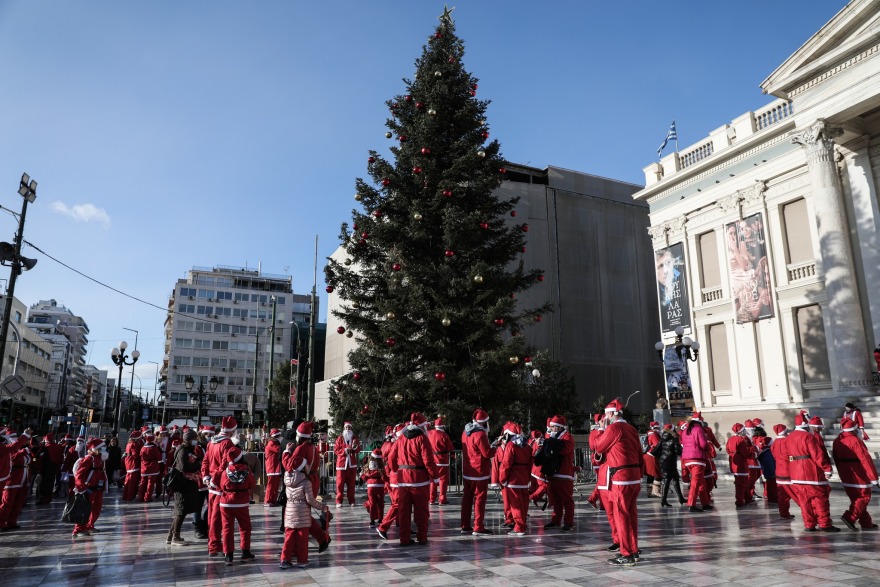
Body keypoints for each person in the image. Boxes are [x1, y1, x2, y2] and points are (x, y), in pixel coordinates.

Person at [591, 400, 643, 567]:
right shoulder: (631, 428)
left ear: (612, 414)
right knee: (631, 515)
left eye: (606, 414)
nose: (605, 418)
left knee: (621, 515)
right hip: (634, 476)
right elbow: (639, 453)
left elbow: (598, 447)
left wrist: (600, 429)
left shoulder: (614, 428)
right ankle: (633, 550)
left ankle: (626, 554)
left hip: (621, 477)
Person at [386, 412, 440, 546]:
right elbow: (428, 461)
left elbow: (391, 458)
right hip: (419, 480)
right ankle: (422, 537)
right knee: (421, 510)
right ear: (421, 426)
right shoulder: (422, 438)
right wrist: (435, 477)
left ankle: (404, 538)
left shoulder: (401, 438)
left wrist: (395, 470)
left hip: (403, 479)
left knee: (404, 511)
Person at [784, 414, 838, 532]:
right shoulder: (808, 437)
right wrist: (827, 468)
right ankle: (825, 523)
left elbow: (787, 456)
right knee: (820, 498)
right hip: (811, 474)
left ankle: (809, 524)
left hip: (796, 475)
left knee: (804, 502)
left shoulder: (788, 437)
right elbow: (817, 455)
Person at [283, 421, 331, 552]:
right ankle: (321, 539)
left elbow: (290, 466)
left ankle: (316, 541)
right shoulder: (312, 447)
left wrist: (286, 452)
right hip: (312, 480)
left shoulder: (301, 448)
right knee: (304, 514)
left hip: (304, 481)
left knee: (302, 515)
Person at [832, 417, 879, 531]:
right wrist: (874, 477)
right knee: (864, 497)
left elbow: (835, 458)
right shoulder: (855, 441)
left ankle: (866, 523)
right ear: (853, 430)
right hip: (859, 475)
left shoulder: (837, 440)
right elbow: (865, 459)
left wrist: (841, 473)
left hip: (846, 474)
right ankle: (850, 517)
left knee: (856, 500)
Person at [280, 468, 330, 569]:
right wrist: (323, 507)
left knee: (288, 538)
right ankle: (302, 560)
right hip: (302, 513)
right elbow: (310, 500)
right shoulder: (306, 482)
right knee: (302, 538)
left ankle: (285, 560)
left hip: (289, 511)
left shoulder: (287, 479)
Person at [202, 416, 238, 557]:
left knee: (211, 516)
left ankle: (213, 545)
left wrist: (206, 476)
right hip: (220, 485)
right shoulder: (227, 443)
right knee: (218, 518)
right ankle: (215, 546)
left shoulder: (211, 442)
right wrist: (215, 479)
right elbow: (224, 464)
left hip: (211, 483)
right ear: (232, 430)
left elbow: (205, 461)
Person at [216, 445, 255, 566]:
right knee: (245, 527)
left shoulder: (226, 471)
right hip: (241, 503)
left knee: (227, 528)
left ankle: (229, 555)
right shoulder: (247, 471)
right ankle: (245, 552)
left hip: (226, 503)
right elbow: (252, 484)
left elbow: (221, 486)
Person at [461, 408, 496, 535]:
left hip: (468, 471)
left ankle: (465, 525)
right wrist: (495, 448)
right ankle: (478, 526)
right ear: (485, 422)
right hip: (479, 472)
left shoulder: (465, 432)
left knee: (467, 499)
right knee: (479, 500)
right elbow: (486, 453)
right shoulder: (480, 434)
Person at [166, 428, 202, 546]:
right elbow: (183, 467)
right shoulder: (182, 450)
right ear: (189, 439)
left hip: (187, 484)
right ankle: (175, 537)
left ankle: (171, 535)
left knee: (181, 510)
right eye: (194, 439)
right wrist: (197, 465)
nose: (196, 441)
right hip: (182, 484)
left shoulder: (187, 449)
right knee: (181, 511)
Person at [543, 415, 575, 532]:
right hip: (553, 473)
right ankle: (555, 520)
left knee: (567, 500)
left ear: (559, 427)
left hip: (564, 474)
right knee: (556, 499)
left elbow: (564, 450)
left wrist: (551, 443)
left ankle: (568, 523)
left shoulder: (567, 437)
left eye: (553, 427)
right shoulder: (553, 435)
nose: (550, 429)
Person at [499, 422, 532, 535]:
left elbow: (506, 464)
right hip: (523, 479)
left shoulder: (511, 446)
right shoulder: (527, 446)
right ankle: (522, 524)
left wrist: (502, 479)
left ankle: (519, 527)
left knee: (515, 505)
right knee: (523, 504)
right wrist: (528, 478)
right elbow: (530, 464)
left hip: (513, 480)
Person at [71, 438, 109, 538]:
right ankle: (78, 529)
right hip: (89, 489)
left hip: (98, 488)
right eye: (101, 448)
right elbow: (79, 473)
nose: (104, 450)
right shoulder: (89, 459)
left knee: (97, 508)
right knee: (84, 509)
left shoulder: (99, 459)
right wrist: (81, 487)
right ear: (94, 449)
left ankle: (89, 525)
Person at [376, 423, 405, 542]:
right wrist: (394, 471)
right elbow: (389, 460)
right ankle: (383, 527)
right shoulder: (394, 444)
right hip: (396, 478)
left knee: (403, 504)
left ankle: (404, 526)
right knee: (397, 504)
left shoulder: (395, 443)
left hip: (397, 477)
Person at [680, 412, 712, 512]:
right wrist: (708, 448)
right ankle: (691, 504)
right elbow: (703, 444)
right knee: (695, 482)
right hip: (697, 458)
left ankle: (705, 503)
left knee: (700, 482)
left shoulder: (685, 430)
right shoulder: (699, 429)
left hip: (687, 458)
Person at [0, 431, 32, 530]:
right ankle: (1, 523)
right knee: (7, 503)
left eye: (15, 436)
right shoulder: (8, 448)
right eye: (12, 436)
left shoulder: (17, 448)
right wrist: (24, 450)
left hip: (23, 479)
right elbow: (13, 456)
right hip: (12, 480)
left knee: (18, 502)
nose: (14, 438)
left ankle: (12, 522)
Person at [769, 424, 796, 520]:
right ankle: (811, 515)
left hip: (779, 471)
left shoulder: (774, 443)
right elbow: (792, 455)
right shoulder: (787, 441)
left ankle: (784, 513)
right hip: (789, 471)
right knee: (797, 495)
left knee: (782, 495)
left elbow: (774, 455)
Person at [333, 422, 361, 508]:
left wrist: (355, 447)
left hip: (351, 464)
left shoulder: (355, 438)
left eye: (349, 428)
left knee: (351, 484)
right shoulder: (339, 439)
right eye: (346, 428)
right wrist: (345, 451)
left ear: (351, 429)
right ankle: (338, 501)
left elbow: (358, 449)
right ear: (344, 429)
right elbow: (336, 450)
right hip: (341, 464)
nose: (348, 429)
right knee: (340, 484)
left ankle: (351, 500)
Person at [427, 417, 454, 505]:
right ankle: (442, 499)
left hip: (432, 460)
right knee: (443, 480)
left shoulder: (430, 433)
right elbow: (450, 448)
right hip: (442, 460)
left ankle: (431, 499)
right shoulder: (444, 435)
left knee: (433, 480)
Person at [658, 423, 685, 508]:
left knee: (675, 478)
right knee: (668, 480)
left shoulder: (662, 438)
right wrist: (680, 447)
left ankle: (680, 498)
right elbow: (678, 451)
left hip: (663, 460)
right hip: (670, 461)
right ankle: (663, 500)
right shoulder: (674, 438)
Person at [726, 423, 752, 508]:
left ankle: (747, 498)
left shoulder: (730, 439)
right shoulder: (740, 439)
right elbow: (745, 453)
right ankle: (740, 500)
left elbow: (727, 450)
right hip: (740, 463)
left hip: (733, 462)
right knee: (741, 483)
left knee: (740, 481)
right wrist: (752, 453)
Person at [35, 433, 64, 504]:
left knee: (42, 484)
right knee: (50, 483)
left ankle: (42, 498)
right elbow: (61, 458)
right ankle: (48, 497)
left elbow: (38, 458)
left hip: (45, 468)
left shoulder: (45, 448)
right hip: (54, 468)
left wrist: (35, 463)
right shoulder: (58, 447)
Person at [361, 449, 387, 526]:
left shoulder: (368, 464)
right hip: (380, 485)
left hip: (371, 486)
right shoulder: (382, 465)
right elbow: (384, 476)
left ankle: (372, 520)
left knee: (372, 503)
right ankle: (380, 519)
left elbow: (364, 477)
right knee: (380, 503)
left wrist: (365, 476)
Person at [138, 433, 161, 502]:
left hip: (144, 465)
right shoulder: (153, 448)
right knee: (150, 483)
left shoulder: (143, 447)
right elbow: (159, 457)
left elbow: (140, 456)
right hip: (153, 466)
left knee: (143, 482)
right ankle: (147, 497)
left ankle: (140, 496)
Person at [264, 428, 283, 507]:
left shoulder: (274, 442)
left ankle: (273, 500)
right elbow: (278, 450)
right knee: (271, 485)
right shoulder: (271, 443)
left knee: (275, 485)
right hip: (272, 467)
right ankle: (268, 501)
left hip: (275, 467)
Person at [122, 430, 143, 501]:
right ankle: (130, 496)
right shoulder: (135, 444)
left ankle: (125, 495)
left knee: (127, 480)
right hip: (133, 463)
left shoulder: (129, 443)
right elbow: (136, 455)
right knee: (132, 482)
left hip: (128, 462)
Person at [643, 422, 661, 498]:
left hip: (647, 455)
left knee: (650, 475)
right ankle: (655, 491)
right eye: (658, 428)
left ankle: (649, 492)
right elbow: (658, 445)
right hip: (652, 456)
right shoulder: (654, 434)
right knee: (658, 474)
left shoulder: (648, 434)